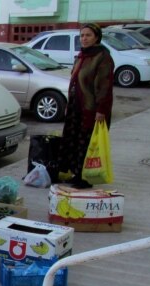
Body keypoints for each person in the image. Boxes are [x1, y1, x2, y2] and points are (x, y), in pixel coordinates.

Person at [59, 23, 114, 188]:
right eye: (82, 35)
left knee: (87, 143)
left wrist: (101, 110)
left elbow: (104, 86)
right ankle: (76, 173)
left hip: (91, 109)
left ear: (97, 37)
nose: (84, 38)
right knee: (74, 141)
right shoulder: (82, 56)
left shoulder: (102, 57)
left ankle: (85, 178)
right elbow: (75, 82)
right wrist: (70, 103)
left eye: (88, 35)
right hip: (76, 106)